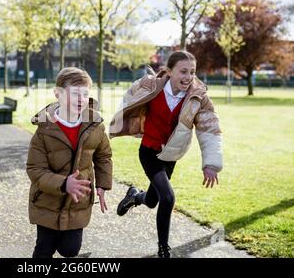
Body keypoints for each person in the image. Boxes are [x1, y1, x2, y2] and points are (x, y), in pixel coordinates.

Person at [109, 51, 222, 258]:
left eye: (192, 72)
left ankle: (134, 196)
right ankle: (164, 249)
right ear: (169, 72)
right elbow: (128, 100)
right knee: (168, 198)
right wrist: (120, 123)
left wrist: (211, 164)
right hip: (149, 152)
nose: (188, 76)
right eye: (183, 71)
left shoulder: (198, 97)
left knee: (152, 201)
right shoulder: (150, 86)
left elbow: (209, 129)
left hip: (170, 156)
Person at [26, 67, 113, 258]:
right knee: (44, 249)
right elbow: (35, 169)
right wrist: (64, 184)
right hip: (47, 201)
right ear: (58, 94)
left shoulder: (95, 126)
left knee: (70, 250)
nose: (81, 99)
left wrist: (103, 185)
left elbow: (103, 156)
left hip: (78, 202)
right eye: (75, 94)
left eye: (85, 94)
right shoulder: (44, 130)